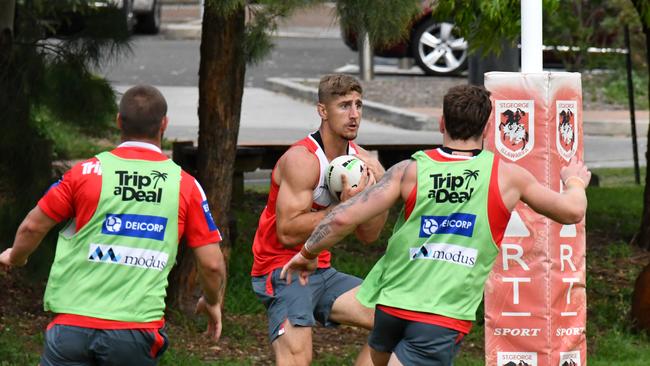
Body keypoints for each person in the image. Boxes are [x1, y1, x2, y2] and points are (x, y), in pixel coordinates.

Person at [281, 85, 591, 366]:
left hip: (390, 306)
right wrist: (575, 181)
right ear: (486, 127)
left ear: (442, 123)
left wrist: (307, 253)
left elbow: (345, 216)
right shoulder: (507, 176)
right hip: (439, 317)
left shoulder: (411, 170)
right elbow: (571, 211)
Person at [0, 85, 226, 366]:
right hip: (135, 332)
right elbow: (212, 264)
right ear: (164, 124)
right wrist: (212, 300)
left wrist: (16, 255)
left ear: (119, 121)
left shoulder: (84, 173)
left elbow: (32, 227)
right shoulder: (185, 186)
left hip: (72, 327)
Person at [250, 73, 387, 365]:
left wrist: (381, 189)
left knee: (396, 320)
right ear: (322, 111)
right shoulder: (303, 159)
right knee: (298, 358)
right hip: (282, 270)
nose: (354, 115)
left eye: (359, 105)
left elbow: (369, 236)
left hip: (322, 272)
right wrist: (344, 209)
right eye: (344, 106)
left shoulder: (361, 161)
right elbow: (286, 232)